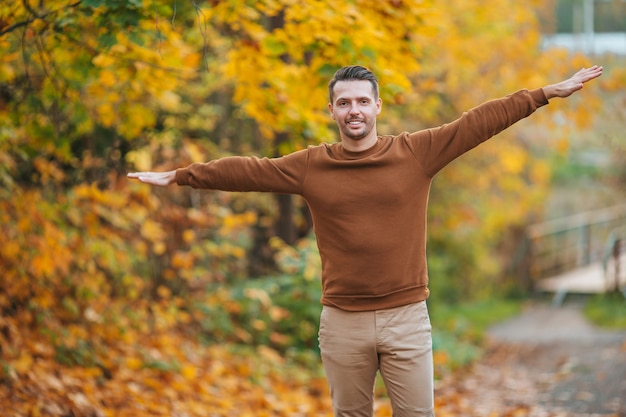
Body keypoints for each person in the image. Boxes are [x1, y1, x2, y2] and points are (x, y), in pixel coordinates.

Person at [128, 64, 603, 417]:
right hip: (342, 323)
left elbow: (478, 122)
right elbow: (251, 170)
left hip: (406, 320)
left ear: (377, 106)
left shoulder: (416, 153)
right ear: (331, 109)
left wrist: (542, 94)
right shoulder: (313, 165)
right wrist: (182, 176)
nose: (353, 110)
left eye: (362, 101)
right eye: (344, 102)